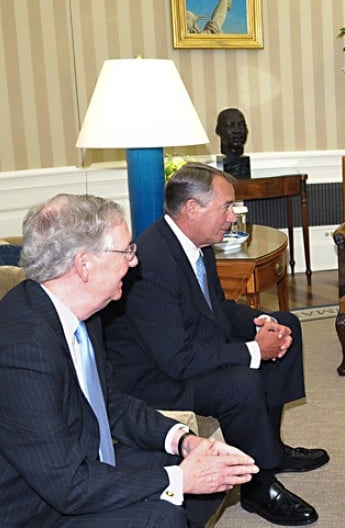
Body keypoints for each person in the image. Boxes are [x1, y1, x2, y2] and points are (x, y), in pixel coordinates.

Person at [0, 194, 258, 527]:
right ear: (84, 264)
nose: (134, 261)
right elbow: (67, 486)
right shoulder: (23, 350)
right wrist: (178, 478)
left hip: (83, 461)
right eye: (126, 251)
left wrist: (185, 442)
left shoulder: (82, 314)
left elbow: (111, 404)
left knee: (211, 471)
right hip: (37, 507)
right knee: (163, 516)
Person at [102, 163, 327, 526]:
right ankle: (258, 485)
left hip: (183, 352)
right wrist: (254, 350)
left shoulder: (198, 244)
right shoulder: (153, 262)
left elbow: (217, 310)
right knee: (240, 381)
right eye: (226, 207)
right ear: (192, 208)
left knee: (287, 323)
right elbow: (178, 361)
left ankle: (271, 447)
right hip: (153, 379)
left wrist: (262, 324)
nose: (233, 216)